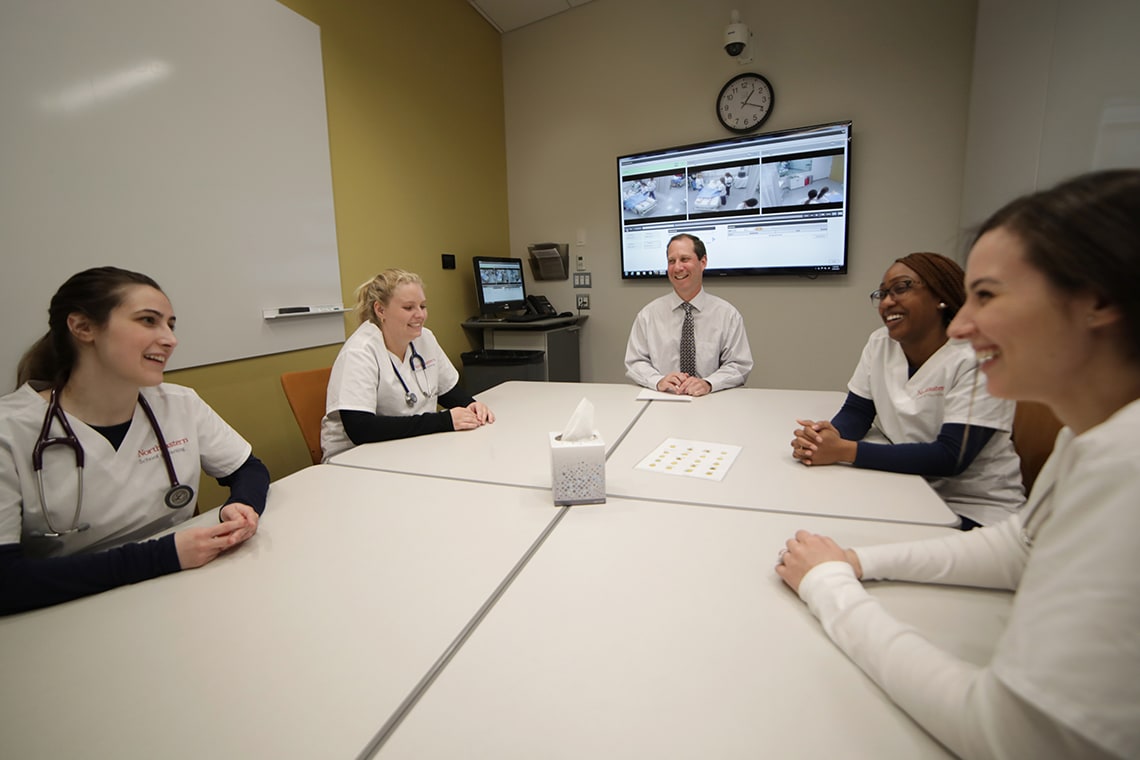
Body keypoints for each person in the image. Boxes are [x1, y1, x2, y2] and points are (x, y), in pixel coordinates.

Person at [776, 170, 1140, 759]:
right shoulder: (1091, 439)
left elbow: (1006, 735)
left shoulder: (1126, 466)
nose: (965, 326)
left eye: (988, 296)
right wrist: (856, 559)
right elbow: (1023, 548)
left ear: (1096, 300)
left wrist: (831, 587)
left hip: (958, 504)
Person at [0, 267, 269, 615]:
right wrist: (163, 556)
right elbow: (7, 583)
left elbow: (248, 468)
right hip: (68, 613)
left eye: (170, 325)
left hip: (181, 594)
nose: (170, 339)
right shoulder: (11, 429)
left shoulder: (178, 403)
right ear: (83, 327)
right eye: (148, 321)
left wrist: (242, 504)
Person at [792, 252, 1024, 528]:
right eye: (882, 293)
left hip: (973, 508)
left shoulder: (977, 356)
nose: (888, 301)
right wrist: (823, 439)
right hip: (905, 486)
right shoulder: (880, 343)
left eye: (901, 288)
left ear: (941, 296)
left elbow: (951, 457)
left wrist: (843, 450)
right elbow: (858, 410)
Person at [321, 269, 494, 460]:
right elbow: (361, 429)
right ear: (380, 310)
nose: (420, 315)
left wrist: (472, 405)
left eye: (423, 306)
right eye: (409, 308)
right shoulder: (360, 351)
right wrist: (444, 420)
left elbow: (448, 392)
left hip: (409, 446)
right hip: (355, 458)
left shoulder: (424, 338)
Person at [624, 233, 752, 396]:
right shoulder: (648, 316)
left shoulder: (727, 315)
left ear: (703, 262)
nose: (677, 267)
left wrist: (708, 383)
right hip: (663, 401)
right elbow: (635, 362)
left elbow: (739, 365)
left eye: (684, 259)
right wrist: (658, 381)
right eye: (672, 261)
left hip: (711, 400)